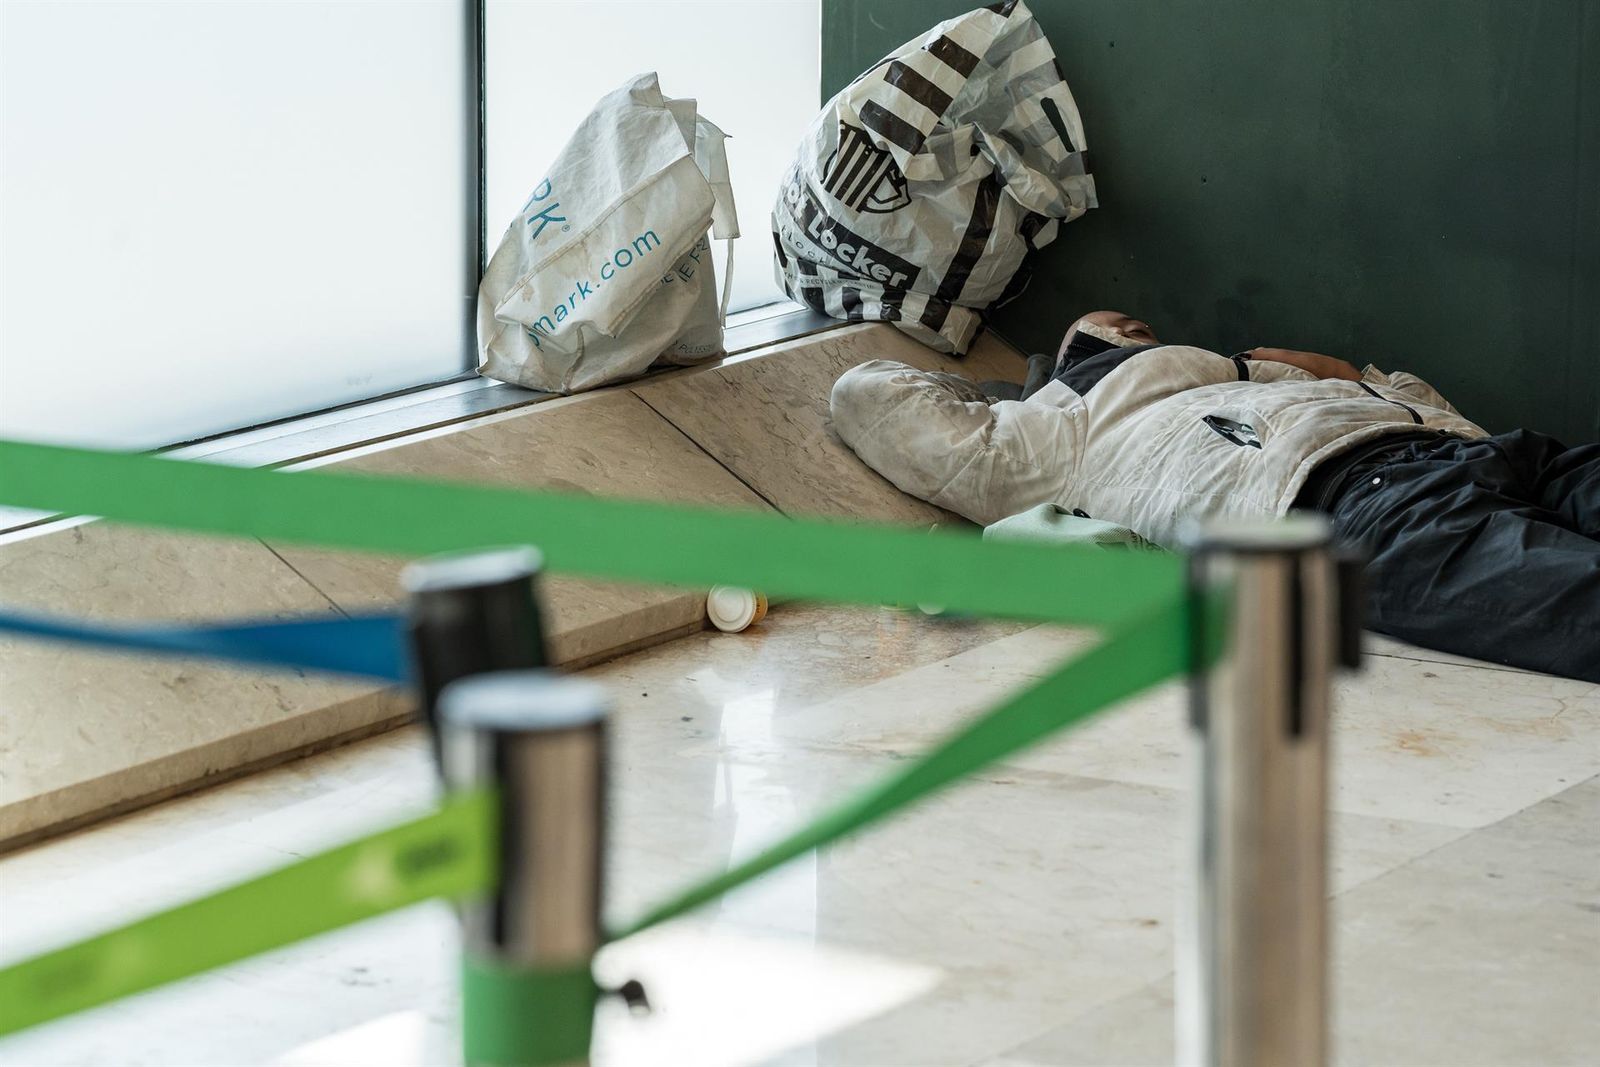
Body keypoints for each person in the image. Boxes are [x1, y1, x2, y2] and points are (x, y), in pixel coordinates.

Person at [830, 311, 1600, 682]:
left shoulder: (1256, 368)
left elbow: (1427, 401)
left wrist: (1342, 371)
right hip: (1355, 502)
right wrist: (1020, 392)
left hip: (1483, 452)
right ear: (1071, 358)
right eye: (1103, 324)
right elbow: (867, 397)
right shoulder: (1051, 437)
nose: (1131, 320)